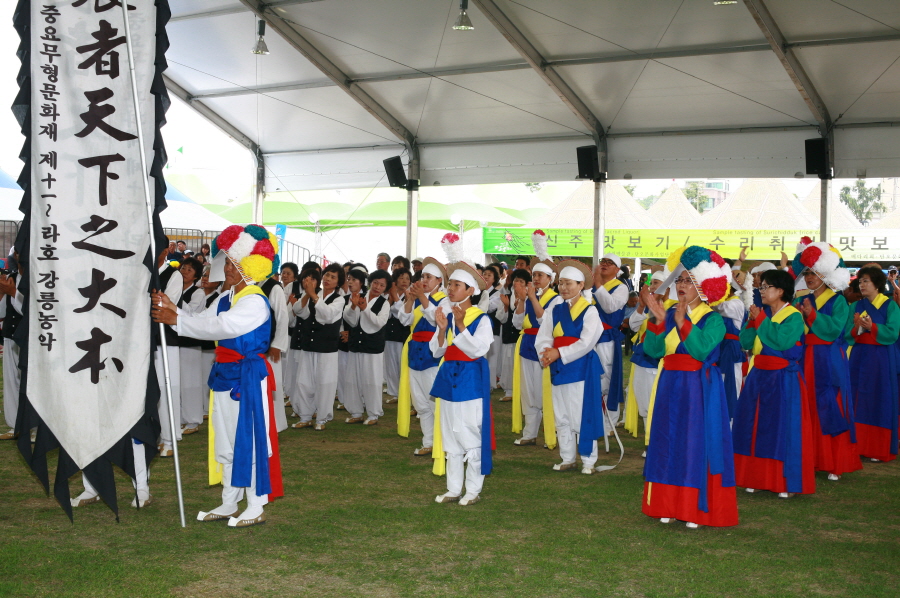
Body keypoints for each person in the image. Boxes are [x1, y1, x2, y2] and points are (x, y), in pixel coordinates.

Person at [152, 224, 283, 527]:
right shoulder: (225, 298)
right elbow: (203, 320)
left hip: (248, 379)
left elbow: (222, 327)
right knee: (225, 440)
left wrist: (177, 319)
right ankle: (229, 502)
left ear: (246, 268)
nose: (225, 267)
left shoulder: (254, 301)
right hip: (224, 376)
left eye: (231, 264)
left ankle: (255, 504)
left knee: (247, 440)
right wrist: (174, 311)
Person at [641, 246, 737, 528]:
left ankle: (693, 506)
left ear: (703, 286)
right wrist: (658, 321)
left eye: (688, 281)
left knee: (693, 443)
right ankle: (667, 504)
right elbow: (655, 350)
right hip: (670, 384)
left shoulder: (714, 319)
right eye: (680, 280)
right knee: (667, 442)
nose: (682, 285)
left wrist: (684, 324)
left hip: (698, 388)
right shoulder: (669, 313)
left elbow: (703, 350)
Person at [733, 269, 815, 498]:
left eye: (766, 287)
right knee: (754, 427)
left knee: (781, 429)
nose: (762, 291)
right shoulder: (764, 315)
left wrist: (759, 320)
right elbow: (745, 343)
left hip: (783, 378)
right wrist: (752, 323)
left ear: (780, 291)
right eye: (761, 287)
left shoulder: (794, 316)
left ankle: (784, 481)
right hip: (759, 374)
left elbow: (780, 341)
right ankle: (755, 477)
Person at [792, 243, 860, 481]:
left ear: (826, 273)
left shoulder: (838, 302)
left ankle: (834, 461)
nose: (808, 277)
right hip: (806, 356)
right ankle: (811, 458)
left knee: (831, 402)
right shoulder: (801, 300)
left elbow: (832, 331)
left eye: (813, 272)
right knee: (807, 405)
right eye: (806, 273)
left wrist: (811, 315)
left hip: (829, 357)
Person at [430, 259, 493, 506]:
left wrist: (460, 326)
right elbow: (436, 351)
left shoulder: (482, 319)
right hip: (448, 377)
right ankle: (454, 488)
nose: (451, 289)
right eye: (450, 284)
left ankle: (473, 490)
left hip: (469, 379)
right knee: (450, 436)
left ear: (470, 291)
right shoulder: (445, 314)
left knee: (469, 433)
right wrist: (442, 329)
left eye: (457, 285)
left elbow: (478, 350)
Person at [535, 260, 604, 474]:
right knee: (561, 415)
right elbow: (544, 336)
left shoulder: (590, 311)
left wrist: (559, 353)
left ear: (581, 285)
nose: (563, 288)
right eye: (561, 283)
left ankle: (589, 460)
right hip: (558, 368)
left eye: (569, 284)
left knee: (580, 414)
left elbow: (587, 342)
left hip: (580, 368)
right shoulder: (554, 310)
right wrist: (545, 353)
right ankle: (567, 457)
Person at [511, 232, 561, 446]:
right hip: (526, 345)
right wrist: (523, 301)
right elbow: (517, 323)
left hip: (544, 346)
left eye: (541, 275)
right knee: (528, 390)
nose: (537, 279)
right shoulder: (532, 296)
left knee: (545, 389)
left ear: (550, 279)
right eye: (535, 275)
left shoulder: (556, 299)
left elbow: (545, 323)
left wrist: (531, 297)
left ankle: (555, 429)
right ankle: (530, 432)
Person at [847, 266, 900, 463]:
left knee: (880, 398)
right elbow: (846, 334)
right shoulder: (855, 306)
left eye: (866, 281)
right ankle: (857, 444)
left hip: (881, 357)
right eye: (860, 282)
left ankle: (877, 447)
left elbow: (893, 333)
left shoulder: (890, 305)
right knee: (857, 397)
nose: (862, 285)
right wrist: (857, 329)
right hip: (859, 355)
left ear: (877, 283)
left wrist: (872, 327)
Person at [396, 257, 448, 456]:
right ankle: (428, 442)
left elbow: (436, 319)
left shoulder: (444, 300)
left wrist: (422, 298)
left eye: (429, 277)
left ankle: (441, 443)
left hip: (433, 354)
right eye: (423, 276)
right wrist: (410, 298)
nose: (424, 280)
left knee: (434, 401)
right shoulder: (418, 298)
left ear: (439, 281)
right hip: (414, 352)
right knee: (420, 403)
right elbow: (404, 319)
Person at [292, 264, 346, 431]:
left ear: (338, 282)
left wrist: (313, 295)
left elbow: (327, 316)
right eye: (327, 275)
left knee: (325, 383)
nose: (328, 279)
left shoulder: (339, 299)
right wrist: (308, 295)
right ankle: (306, 416)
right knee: (304, 381)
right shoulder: (314, 295)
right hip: (308, 344)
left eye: (333, 277)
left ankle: (321, 418)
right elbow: (299, 311)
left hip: (327, 347)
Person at [624, 271, 671, 452]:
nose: (652, 287)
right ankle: (651, 442)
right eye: (652, 284)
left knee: (657, 404)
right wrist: (642, 306)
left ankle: (658, 443)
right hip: (641, 360)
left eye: (658, 283)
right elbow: (634, 326)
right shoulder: (648, 307)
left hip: (658, 363)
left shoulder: (672, 308)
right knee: (644, 404)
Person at [343, 269, 391, 425]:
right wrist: (353, 306)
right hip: (356, 344)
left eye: (382, 285)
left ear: (385, 288)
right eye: (376, 283)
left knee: (372, 380)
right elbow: (350, 320)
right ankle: (356, 412)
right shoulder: (358, 297)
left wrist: (365, 309)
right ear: (371, 282)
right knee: (353, 379)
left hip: (373, 347)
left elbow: (378, 322)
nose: (377, 287)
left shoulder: (384, 303)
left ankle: (373, 414)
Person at [591, 253, 629, 437]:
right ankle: (595, 419)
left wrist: (598, 285)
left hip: (606, 338)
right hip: (590, 337)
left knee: (607, 379)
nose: (604, 264)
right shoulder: (591, 286)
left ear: (617, 269)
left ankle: (610, 423)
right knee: (592, 378)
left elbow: (609, 308)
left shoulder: (620, 287)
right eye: (602, 261)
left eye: (609, 263)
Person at [155, 246, 184, 458]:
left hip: (167, 340)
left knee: (167, 389)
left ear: (165, 251)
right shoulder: (143, 272)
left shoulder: (173, 275)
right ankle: (156, 434)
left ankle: (169, 438)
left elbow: (164, 306)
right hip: (146, 339)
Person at [176, 257, 209, 436]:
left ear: (196, 275)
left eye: (189, 270)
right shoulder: (174, 288)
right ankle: (180, 417)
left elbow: (191, 313)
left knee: (190, 382)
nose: (185, 271)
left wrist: (176, 296)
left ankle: (193, 419)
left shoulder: (198, 293)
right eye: (184, 268)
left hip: (190, 341)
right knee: (177, 381)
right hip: (175, 339)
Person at [497, 269, 528, 402]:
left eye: (521, 281)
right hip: (509, 335)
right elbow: (501, 318)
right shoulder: (507, 296)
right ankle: (509, 390)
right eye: (516, 280)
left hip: (521, 337)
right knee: (508, 363)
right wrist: (505, 306)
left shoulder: (529, 298)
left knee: (521, 365)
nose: (517, 283)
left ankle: (522, 391)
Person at [0, 258, 23, 441]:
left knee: (29, 383)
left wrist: (13, 292)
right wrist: (2, 293)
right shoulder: (11, 277)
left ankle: (35, 428)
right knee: (11, 381)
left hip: (31, 338)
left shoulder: (39, 280)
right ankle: (15, 426)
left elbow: (34, 310)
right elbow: (2, 311)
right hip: (10, 335)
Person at [384, 267, 412, 404]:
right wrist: (391, 299)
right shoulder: (388, 295)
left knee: (403, 365)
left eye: (407, 278)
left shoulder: (410, 296)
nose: (404, 281)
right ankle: (394, 393)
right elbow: (386, 314)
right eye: (401, 278)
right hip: (389, 334)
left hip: (403, 335)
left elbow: (403, 314)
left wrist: (395, 299)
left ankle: (406, 393)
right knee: (391, 366)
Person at [280, 263, 301, 410]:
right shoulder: (282, 288)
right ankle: (285, 391)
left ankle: (289, 392)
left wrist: (290, 304)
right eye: (283, 272)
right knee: (283, 363)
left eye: (288, 273)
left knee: (289, 364)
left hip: (293, 331)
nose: (285, 275)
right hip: (283, 330)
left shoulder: (294, 288)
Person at [481, 265, 504, 392]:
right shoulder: (478, 292)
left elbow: (488, 307)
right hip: (479, 329)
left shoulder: (497, 293)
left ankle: (489, 384)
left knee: (491, 358)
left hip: (492, 328)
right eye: (484, 274)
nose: (486, 277)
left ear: (495, 279)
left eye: (489, 275)